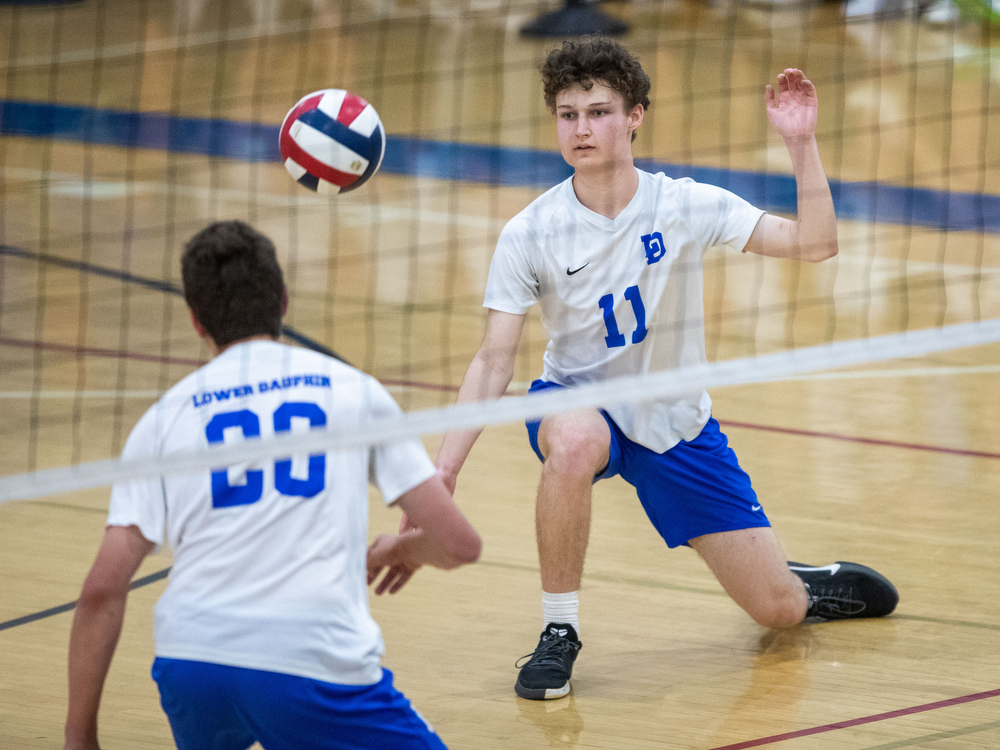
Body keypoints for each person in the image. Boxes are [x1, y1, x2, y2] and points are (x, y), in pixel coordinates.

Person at [427, 38, 898, 701]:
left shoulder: (682, 205)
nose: (581, 129)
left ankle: (795, 581)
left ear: (636, 115)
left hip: (673, 421)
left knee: (778, 612)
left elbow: (815, 244)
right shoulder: (529, 232)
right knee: (577, 441)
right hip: (576, 400)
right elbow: (494, 358)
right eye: (567, 115)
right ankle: (559, 632)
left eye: (597, 111)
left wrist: (800, 143)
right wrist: (444, 468)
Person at [63, 220, 482, 750]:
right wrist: (402, 549)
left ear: (196, 320)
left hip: (193, 663)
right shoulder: (352, 392)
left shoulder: (163, 419)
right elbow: (459, 543)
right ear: (282, 301)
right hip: (310, 663)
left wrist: (78, 738)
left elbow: (102, 590)